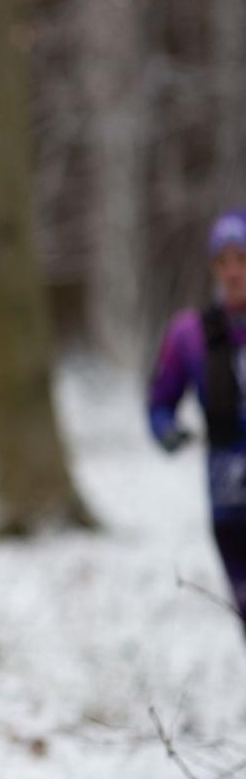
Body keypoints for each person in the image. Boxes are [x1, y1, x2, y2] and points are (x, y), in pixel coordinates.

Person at [148, 208, 246, 640]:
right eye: (222, 262)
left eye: (242, 259)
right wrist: (167, 430)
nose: (233, 272)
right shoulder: (191, 333)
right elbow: (158, 402)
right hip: (228, 494)